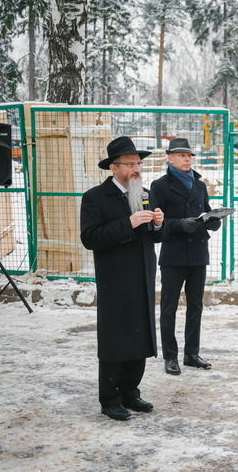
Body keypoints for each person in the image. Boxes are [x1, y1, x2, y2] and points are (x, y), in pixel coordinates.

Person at [80, 136, 166, 421]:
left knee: (139, 337)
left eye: (138, 163)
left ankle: (131, 391)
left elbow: (155, 237)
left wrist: (158, 225)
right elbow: (90, 238)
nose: (136, 168)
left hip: (142, 276)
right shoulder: (95, 197)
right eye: (130, 164)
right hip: (115, 280)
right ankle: (111, 398)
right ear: (113, 168)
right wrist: (127, 224)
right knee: (116, 339)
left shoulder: (144, 192)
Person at [151, 137, 221, 376]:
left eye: (189, 155)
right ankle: (170, 357)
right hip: (174, 254)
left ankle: (192, 354)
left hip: (199, 252)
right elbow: (156, 224)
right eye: (181, 155)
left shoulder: (199, 185)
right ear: (169, 158)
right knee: (169, 307)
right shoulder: (159, 186)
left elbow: (205, 211)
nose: (186, 159)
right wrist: (181, 224)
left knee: (196, 306)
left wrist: (213, 221)